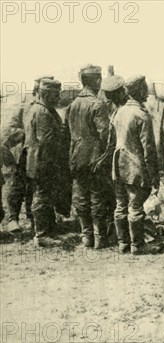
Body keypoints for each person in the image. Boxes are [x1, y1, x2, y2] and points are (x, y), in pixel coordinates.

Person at [111, 75, 161, 255]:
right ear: (139, 90)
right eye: (145, 88)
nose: (147, 92)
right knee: (135, 207)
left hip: (117, 167)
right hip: (135, 168)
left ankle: (123, 243)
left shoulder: (118, 112)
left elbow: (111, 141)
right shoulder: (142, 115)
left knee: (120, 205)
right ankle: (137, 245)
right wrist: (154, 177)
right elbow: (149, 151)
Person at [65, 65, 112, 249]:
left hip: (77, 158)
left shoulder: (73, 104)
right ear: (96, 81)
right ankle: (100, 238)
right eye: (99, 79)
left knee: (81, 198)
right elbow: (105, 134)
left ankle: (86, 237)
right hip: (95, 159)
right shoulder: (97, 104)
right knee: (97, 198)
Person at [3, 75, 53, 233]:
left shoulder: (47, 108)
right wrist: (27, 134)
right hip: (21, 152)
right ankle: (13, 219)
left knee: (35, 187)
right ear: (36, 89)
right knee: (16, 186)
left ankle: (34, 219)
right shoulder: (23, 107)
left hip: (38, 154)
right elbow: (8, 129)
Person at [24, 78, 71, 247]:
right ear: (46, 93)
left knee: (45, 195)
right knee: (42, 196)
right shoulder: (42, 112)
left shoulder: (38, 108)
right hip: (43, 160)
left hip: (40, 159)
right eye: (55, 94)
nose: (58, 97)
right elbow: (47, 141)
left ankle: (49, 228)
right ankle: (42, 235)